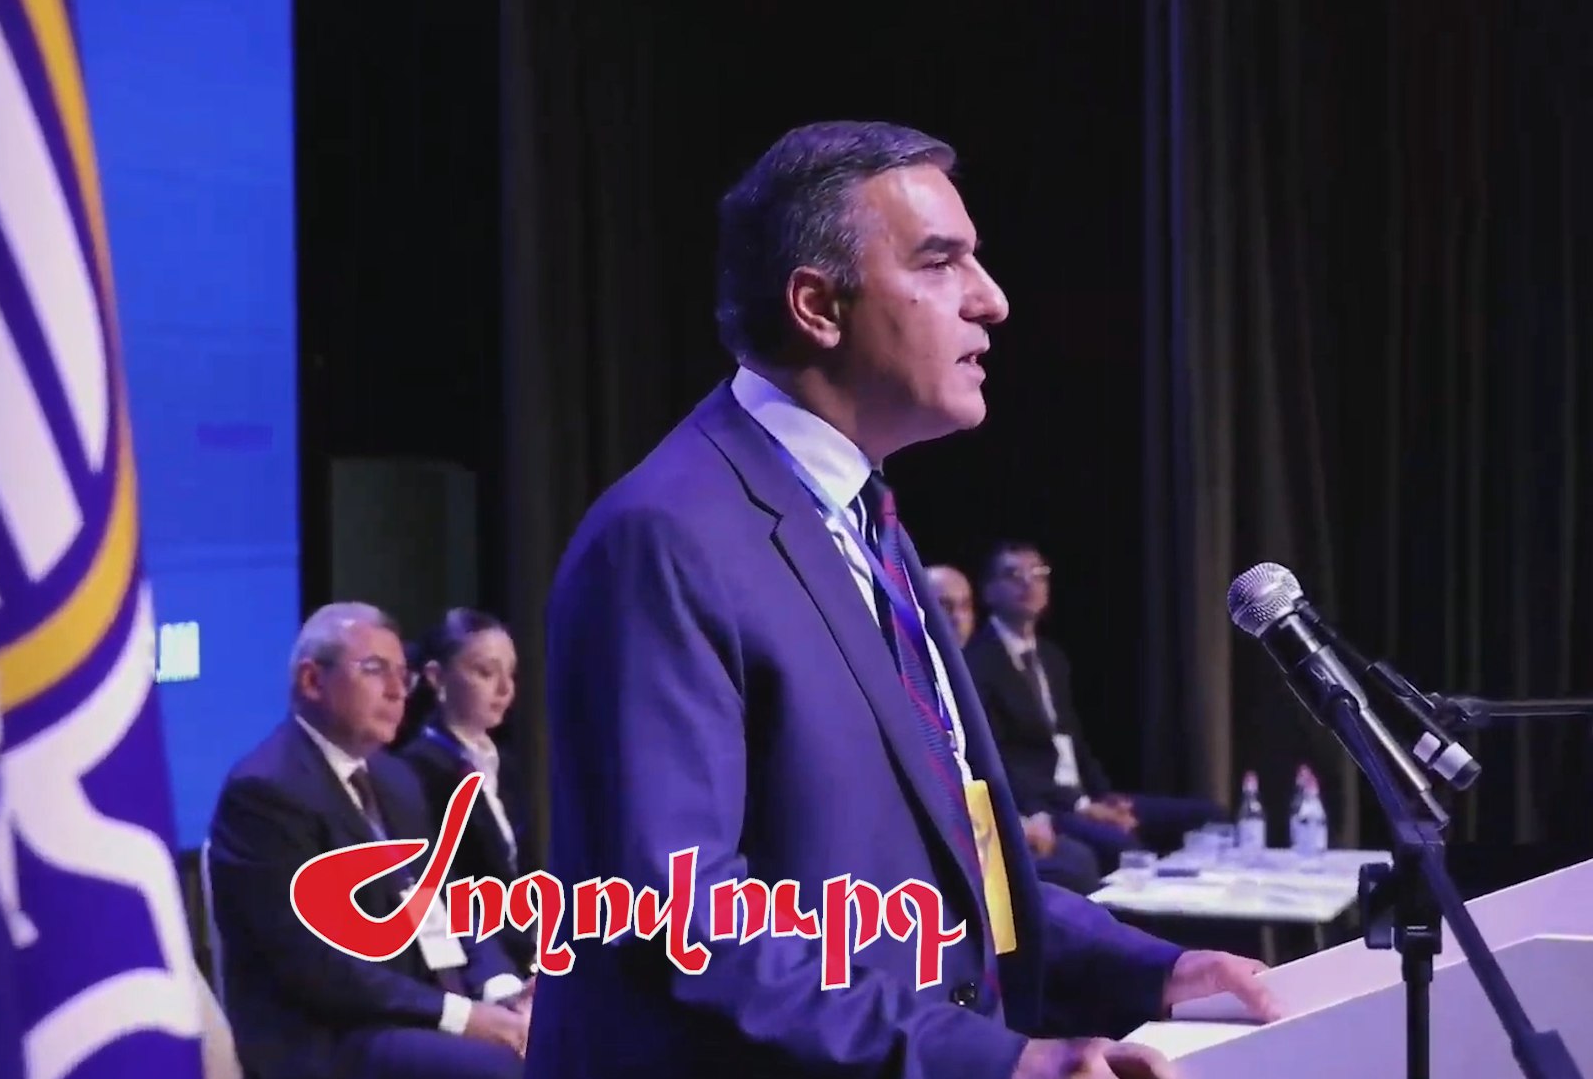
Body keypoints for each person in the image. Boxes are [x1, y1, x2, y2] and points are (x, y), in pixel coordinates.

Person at [526, 121, 1277, 1079]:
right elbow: (683, 919)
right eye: (939, 261)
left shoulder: (864, 520)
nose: (991, 300)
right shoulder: (666, 537)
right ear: (817, 306)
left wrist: (1154, 971)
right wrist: (991, 1063)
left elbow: (957, 873)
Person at [206, 603, 532, 1079]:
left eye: (403, 674)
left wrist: (502, 991)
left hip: (415, 1017)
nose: (398, 691)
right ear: (312, 681)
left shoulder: (395, 778)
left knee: (570, 1036)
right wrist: (463, 1016)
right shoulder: (265, 792)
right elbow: (316, 966)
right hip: (329, 1038)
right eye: (375, 670)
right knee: (505, 1068)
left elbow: (444, 899)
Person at [965, 542, 1226, 873]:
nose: (1028, 583)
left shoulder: (1051, 658)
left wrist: (1105, 798)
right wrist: (1081, 805)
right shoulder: (978, 662)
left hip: (1082, 795)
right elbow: (1001, 760)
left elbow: (1071, 740)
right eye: (1014, 575)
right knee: (1125, 848)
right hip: (1044, 805)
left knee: (1209, 818)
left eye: (1038, 573)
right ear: (988, 592)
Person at [929, 563, 1101, 895]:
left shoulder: (959, 678)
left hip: (992, 816)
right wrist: (1018, 823)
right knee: (1076, 864)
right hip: (952, 834)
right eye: (944, 606)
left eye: (964, 607)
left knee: (1078, 859)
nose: (957, 618)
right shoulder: (918, 682)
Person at [397, 608, 538, 974]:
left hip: (523, 952)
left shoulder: (504, 765)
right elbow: (433, 891)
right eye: (486, 672)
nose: (505, 689)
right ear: (437, 677)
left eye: (510, 674)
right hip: (473, 963)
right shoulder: (416, 769)